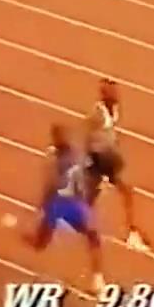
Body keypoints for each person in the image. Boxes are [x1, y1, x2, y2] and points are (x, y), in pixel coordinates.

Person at [20, 123, 106, 293]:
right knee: (91, 236)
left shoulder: (61, 157)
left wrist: (43, 207)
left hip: (62, 204)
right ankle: (97, 279)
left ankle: (97, 279)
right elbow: (58, 183)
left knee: (42, 243)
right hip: (67, 204)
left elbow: (53, 185)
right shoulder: (67, 157)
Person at [82, 79, 150, 252]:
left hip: (108, 158)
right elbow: (87, 134)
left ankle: (130, 231)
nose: (116, 95)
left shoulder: (115, 109)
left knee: (123, 192)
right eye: (112, 92)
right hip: (99, 158)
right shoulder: (97, 114)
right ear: (105, 95)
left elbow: (110, 132)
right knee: (95, 196)